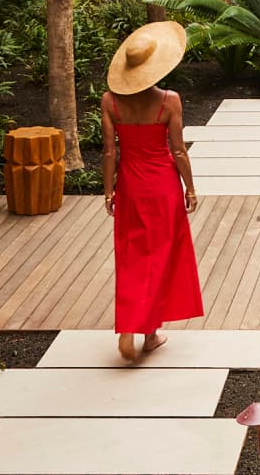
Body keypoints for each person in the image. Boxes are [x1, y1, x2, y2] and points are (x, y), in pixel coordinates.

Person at [101, 20, 202, 363]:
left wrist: (108, 192)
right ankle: (149, 333)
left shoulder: (110, 102)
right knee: (159, 257)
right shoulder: (169, 100)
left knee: (132, 257)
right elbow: (178, 151)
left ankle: (134, 328)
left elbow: (110, 152)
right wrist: (190, 187)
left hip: (130, 186)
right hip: (162, 188)